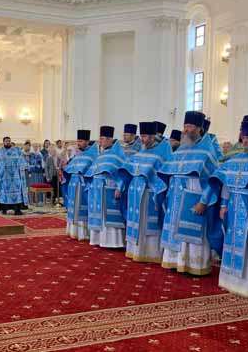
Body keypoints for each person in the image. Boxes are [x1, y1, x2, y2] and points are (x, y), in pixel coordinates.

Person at [198, 116, 248, 298]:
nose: (245, 141)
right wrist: (224, 204)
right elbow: (226, 182)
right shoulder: (236, 159)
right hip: (234, 209)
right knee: (231, 243)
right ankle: (231, 281)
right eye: (243, 137)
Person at [158, 111, 222, 275]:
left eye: (190, 126)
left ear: (199, 128)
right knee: (174, 230)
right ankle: (174, 261)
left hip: (194, 195)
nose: (186, 130)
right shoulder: (180, 150)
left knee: (192, 232)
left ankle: (194, 265)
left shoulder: (207, 151)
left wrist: (204, 201)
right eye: (185, 126)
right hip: (175, 196)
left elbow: (212, 181)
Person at [118, 122, 172, 263]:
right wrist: (121, 185)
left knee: (147, 222)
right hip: (135, 192)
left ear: (153, 137)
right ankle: (134, 250)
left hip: (149, 194)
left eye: (146, 136)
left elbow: (163, 176)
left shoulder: (159, 155)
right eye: (142, 136)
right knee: (136, 220)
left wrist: (157, 193)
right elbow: (127, 171)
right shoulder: (139, 153)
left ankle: (150, 253)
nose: (143, 139)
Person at [85, 126, 126, 248]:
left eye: (102, 139)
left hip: (109, 188)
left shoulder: (117, 154)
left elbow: (122, 172)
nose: (100, 141)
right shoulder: (100, 155)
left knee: (109, 216)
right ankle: (99, 239)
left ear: (109, 139)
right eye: (100, 138)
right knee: (99, 215)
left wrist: (120, 187)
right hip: (96, 189)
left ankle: (112, 242)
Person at [64, 130, 99, 240]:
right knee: (73, 207)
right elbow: (70, 169)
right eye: (77, 140)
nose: (78, 143)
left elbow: (93, 171)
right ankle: (73, 231)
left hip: (84, 186)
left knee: (82, 208)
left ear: (87, 141)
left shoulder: (93, 154)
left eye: (81, 141)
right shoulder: (77, 155)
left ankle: (84, 233)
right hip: (73, 185)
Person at [0, 136, 28, 215]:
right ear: (3, 142)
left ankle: (17, 210)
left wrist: (25, 168)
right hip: (3, 177)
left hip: (15, 177)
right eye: (6, 141)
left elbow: (22, 160)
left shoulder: (17, 151)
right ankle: (4, 210)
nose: (8, 142)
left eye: (9, 141)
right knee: (4, 194)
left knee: (16, 193)